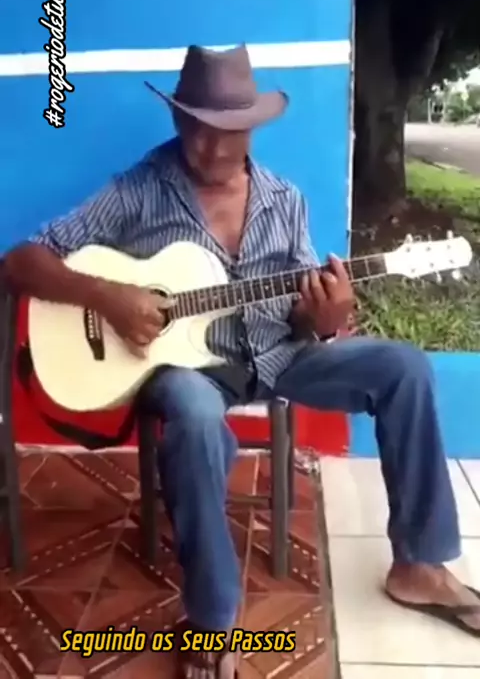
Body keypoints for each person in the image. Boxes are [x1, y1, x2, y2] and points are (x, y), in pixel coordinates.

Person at [5, 45, 479, 677]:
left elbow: (306, 317)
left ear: (252, 126)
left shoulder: (285, 201)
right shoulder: (139, 189)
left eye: (226, 131)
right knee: (197, 417)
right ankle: (213, 621)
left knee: (405, 368)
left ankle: (419, 564)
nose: (209, 147)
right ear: (177, 118)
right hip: (188, 373)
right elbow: (21, 262)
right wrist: (110, 298)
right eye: (196, 127)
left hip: (280, 355)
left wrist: (325, 317)